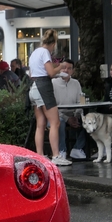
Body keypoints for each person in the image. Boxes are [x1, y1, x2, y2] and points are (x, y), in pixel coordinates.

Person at [28, 29, 71, 166]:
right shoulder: (45, 52)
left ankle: (40, 155)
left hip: (34, 87)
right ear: (53, 43)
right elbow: (51, 73)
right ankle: (56, 155)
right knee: (55, 122)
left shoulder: (35, 52)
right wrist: (61, 66)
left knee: (40, 123)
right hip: (43, 87)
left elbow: (35, 73)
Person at [52, 58, 87, 160]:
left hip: (73, 114)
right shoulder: (53, 83)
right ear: (59, 69)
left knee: (88, 121)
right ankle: (61, 151)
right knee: (60, 122)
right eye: (63, 68)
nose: (66, 70)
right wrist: (68, 119)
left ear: (73, 71)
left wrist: (76, 116)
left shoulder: (76, 83)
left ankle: (77, 148)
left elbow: (80, 102)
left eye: (69, 68)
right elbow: (52, 107)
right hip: (57, 115)